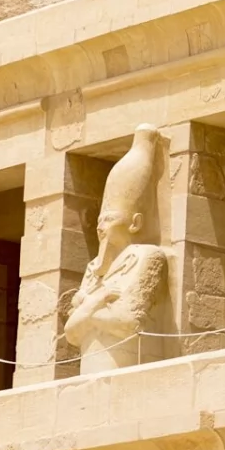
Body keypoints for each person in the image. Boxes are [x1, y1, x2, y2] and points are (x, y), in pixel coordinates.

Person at [64, 124, 169, 372]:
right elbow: (71, 332)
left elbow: (129, 322)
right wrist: (99, 301)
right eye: (100, 220)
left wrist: (86, 308)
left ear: (135, 223)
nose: (101, 227)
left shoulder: (147, 256)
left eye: (110, 219)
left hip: (130, 373)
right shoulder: (93, 269)